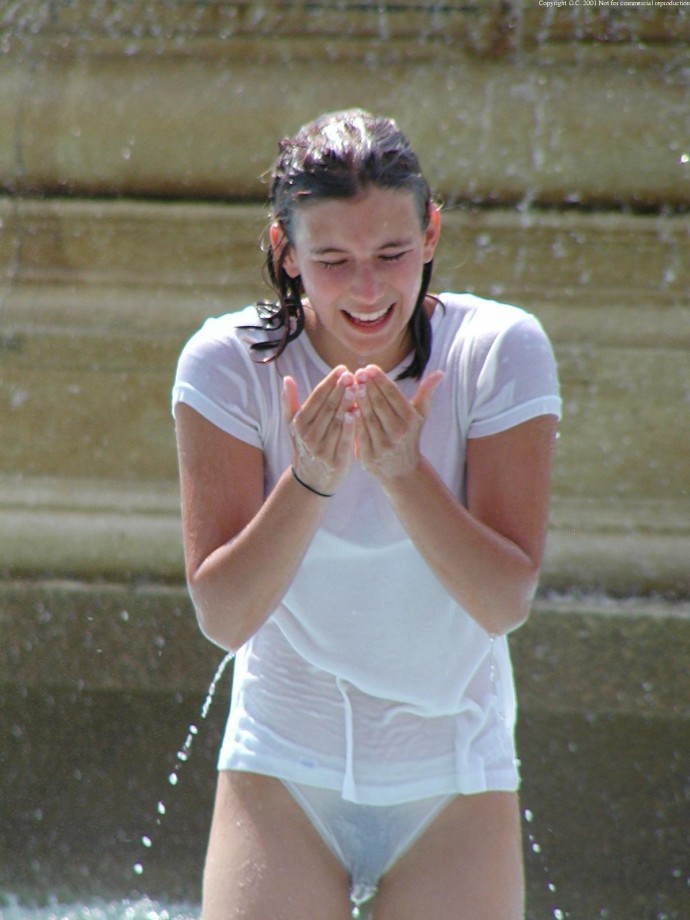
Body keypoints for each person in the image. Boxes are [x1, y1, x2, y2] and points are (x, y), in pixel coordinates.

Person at [172, 108, 561, 920]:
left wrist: (402, 475)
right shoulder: (228, 364)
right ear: (286, 253)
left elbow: (504, 600)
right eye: (333, 259)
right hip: (282, 770)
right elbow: (224, 614)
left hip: (454, 777)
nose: (367, 289)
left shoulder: (498, 350)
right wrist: (309, 480)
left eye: (390, 253)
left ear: (431, 235)